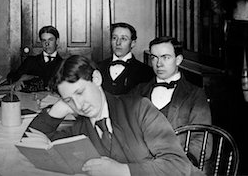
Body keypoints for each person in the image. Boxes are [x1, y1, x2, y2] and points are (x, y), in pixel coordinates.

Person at [27, 55, 204, 176]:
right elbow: (32, 142)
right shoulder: (80, 129)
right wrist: (59, 108)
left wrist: (123, 171)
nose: (79, 106)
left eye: (80, 92)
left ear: (96, 79)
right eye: (69, 100)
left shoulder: (139, 109)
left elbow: (179, 166)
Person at [130, 36, 212, 166]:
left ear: (178, 60)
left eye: (165, 57)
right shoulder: (138, 91)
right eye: (154, 57)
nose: (159, 64)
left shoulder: (195, 94)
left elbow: (202, 141)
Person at [97, 22, 153, 95]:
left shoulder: (146, 72)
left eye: (123, 39)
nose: (118, 43)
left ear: (133, 43)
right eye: (114, 38)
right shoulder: (98, 67)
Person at [7, 25, 63, 92]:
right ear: (41, 42)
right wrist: (19, 80)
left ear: (57, 41)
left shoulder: (63, 64)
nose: (47, 44)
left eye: (50, 40)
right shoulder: (31, 61)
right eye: (44, 40)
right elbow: (12, 77)